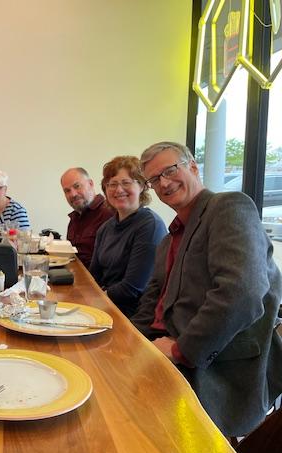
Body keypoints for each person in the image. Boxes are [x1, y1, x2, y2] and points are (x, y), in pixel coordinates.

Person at [131, 141, 282, 437]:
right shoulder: (169, 240)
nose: (164, 183)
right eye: (154, 179)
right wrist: (127, 340)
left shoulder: (229, 207)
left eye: (170, 170)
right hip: (163, 348)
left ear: (193, 166)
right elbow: (152, 301)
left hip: (215, 367)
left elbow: (242, 293)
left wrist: (180, 350)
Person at [89, 156, 167, 317]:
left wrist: (96, 300)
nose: (119, 190)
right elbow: (94, 276)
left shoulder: (150, 226)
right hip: (106, 305)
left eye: (126, 183)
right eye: (112, 184)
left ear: (142, 186)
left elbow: (133, 288)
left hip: (133, 314)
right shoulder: (105, 228)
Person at [60, 167, 114, 266]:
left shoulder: (109, 214)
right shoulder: (74, 218)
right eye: (67, 191)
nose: (73, 194)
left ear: (90, 184)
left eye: (77, 186)